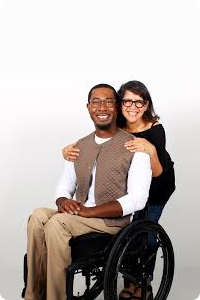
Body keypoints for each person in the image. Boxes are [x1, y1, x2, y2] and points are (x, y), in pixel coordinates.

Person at [24, 83, 152, 300]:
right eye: (96, 101)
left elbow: (138, 199)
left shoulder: (134, 146)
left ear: (117, 106)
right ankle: (34, 294)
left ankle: (56, 297)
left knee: (56, 223)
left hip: (111, 222)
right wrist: (63, 200)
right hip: (80, 214)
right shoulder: (80, 146)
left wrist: (90, 212)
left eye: (108, 101)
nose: (102, 107)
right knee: (37, 216)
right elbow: (65, 184)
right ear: (88, 107)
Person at [62, 80, 175, 299]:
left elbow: (158, 172)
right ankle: (127, 283)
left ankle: (144, 284)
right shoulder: (118, 126)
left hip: (158, 187)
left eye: (139, 102)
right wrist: (69, 150)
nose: (133, 107)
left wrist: (150, 150)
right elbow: (95, 144)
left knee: (146, 236)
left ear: (146, 105)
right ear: (119, 103)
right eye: (127, 101)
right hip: (128, 187)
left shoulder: (155, 130)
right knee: (125, 236)